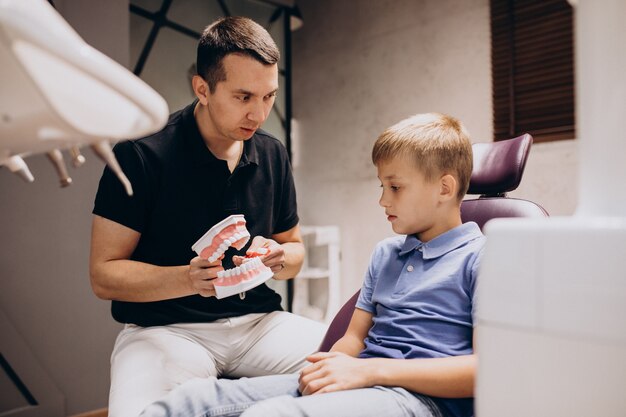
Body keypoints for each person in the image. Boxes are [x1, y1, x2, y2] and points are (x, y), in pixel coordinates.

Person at [139, 112, 485, 417]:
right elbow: (352, 338)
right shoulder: (386, 254)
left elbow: (484, 370)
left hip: (422, 402)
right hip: (364, 383)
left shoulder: (482, 259)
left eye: (395, 187)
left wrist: (371, 372)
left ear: (444, 188)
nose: (382, 199)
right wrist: (328, 372)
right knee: (190, 402)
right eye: (382, 186)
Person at [89, 16, 325, 417]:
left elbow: (295, 249)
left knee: (359, 364)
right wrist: (187, 278)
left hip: (259, 324)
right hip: (166, 330)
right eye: (243, 97)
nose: (259, 113)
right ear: (202, 88)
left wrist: (279, 257)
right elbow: (103, 275)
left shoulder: (272, 153)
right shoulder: (140, 155)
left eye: (269, 96)